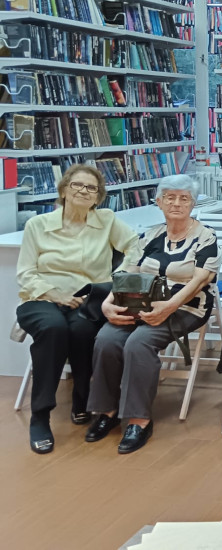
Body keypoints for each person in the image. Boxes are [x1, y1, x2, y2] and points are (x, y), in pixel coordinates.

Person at [86, 175, 220, 454]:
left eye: (184, 198)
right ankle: (108, 411)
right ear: (159, 202)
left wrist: (169, 306)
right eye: (170, 197)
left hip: (186, 306)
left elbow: (200, 280)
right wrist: (107, 304)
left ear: (193, 204)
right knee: (106, 339)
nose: (176, 203)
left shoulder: (205, 236)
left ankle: (139, 420)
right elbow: (126, 272)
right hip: (142, 304)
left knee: (139, 342)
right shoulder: (150, 236)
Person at [15, 164, 139, 454]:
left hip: (87, 300)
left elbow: (135, 245)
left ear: (98, 196)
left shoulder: (106, 220)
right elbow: (25, 272)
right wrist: (54, 293)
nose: (84, 191)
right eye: (77, 185)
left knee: (83, 330)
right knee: (53, 329)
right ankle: (40, 416)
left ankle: (82, 400)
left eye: (91, 188)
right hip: (41, 298)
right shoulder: (38, 225)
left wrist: (118, 278)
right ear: (64, 190)